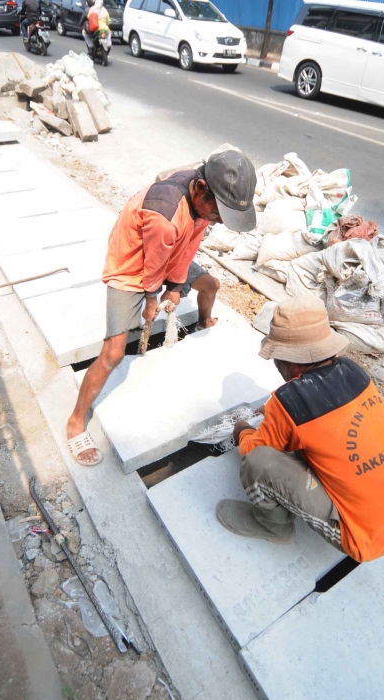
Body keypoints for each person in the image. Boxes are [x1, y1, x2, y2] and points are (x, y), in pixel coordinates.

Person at [66, 147, 257, 466]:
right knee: (113, 353)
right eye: (218, 212)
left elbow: (189, 245)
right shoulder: (167, 216)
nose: (219, 220)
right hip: (132, 266)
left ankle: (203, 323)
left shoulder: (201, 202)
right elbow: (151, 269)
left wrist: (178, 289)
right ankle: (74, 422)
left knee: (210, 285)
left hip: (169, 251)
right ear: (200, 190)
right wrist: (154, 300)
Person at [217, 297, 384, 562]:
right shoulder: (353, 371)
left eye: (277, 360)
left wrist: (242, 429)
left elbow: (251, 450)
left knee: (259, 463)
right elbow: (328, 418)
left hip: (363, 538)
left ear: (288, 361)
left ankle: (275, 527)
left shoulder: (289, 403)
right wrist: (277, 411)